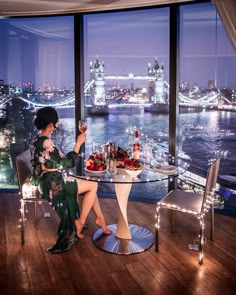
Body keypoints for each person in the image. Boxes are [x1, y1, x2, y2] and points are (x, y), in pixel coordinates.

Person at [31, 106, 111, 254]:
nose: (58, 123)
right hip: (53, 184)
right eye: (56, 121)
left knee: (91, 186)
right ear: (51, 124)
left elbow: (54, 161)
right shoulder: (46, 143)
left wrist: (51, 166)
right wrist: (78, 143)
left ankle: (99, 219)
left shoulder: (38, 140)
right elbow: (66, 163)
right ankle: (81, 222)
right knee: (93, 185)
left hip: (50, 179)